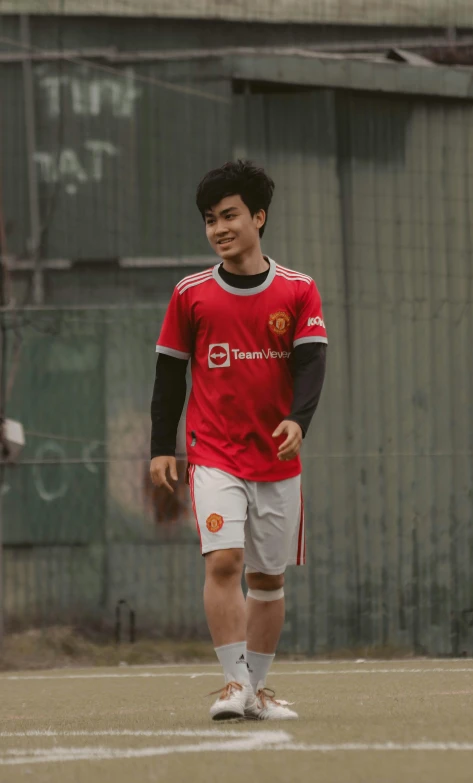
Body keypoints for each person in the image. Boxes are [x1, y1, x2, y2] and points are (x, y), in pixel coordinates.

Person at [150, 160, 327, 721]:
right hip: (214, 456)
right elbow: (169, 375)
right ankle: (232, 685)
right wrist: (161, 445)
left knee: (267, 578)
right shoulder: (190, 294)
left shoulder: (298, 290)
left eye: (229, 215)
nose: (219, 228)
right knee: (223, 561)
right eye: (210, 219)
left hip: (275, 462)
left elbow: (311, 364)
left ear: (258, 216)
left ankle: (257, 690)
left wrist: (299, 420)